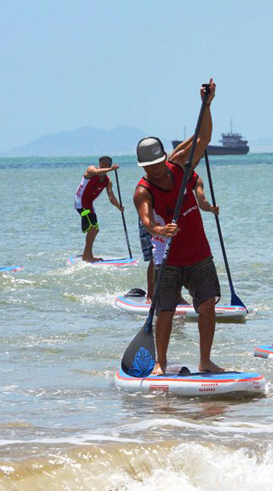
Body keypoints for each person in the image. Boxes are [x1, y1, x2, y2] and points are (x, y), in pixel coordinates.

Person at [133, 80, 222, 374]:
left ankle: (205, 360)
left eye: (159, 162)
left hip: (199, 253)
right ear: (143, 167)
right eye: (150, 166)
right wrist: (159, 231)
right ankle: (160, 362)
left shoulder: (179, 166)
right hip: (167, 258)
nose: (156, 169)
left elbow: (203, 138)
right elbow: (146, 221)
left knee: (207, 304)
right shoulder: (143, 190)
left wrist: (206, 105)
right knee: (166, 311)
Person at [138, 176, 218, 306]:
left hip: (176, 214)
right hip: (154, 215)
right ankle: (151, 295)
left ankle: (177, 295)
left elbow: (201, 200)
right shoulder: (171, 172)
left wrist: (210, 208)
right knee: (157, 254)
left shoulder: (194, 178)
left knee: (176, 253)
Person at [75, 156, 123, 262]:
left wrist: (118, 206)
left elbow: (111, 197)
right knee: (92, 228)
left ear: (109, 166)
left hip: (89, 204)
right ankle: (88, 257)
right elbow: (97, 172)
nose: (103, 166)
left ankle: (85, 255)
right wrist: (111, 169)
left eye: (106, 165)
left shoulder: (107, 181)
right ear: (99, 164)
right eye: (102, 164)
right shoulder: (91, 170)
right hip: (80, 203)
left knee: (95, 229)